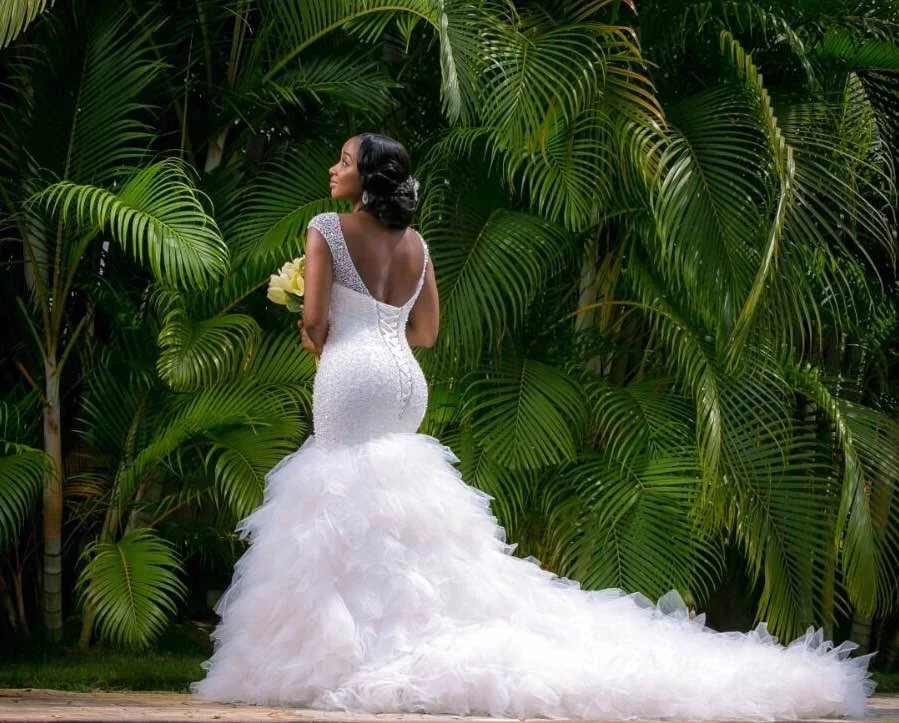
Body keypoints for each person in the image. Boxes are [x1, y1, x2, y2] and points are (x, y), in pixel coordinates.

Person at [189, 133, 875, 720]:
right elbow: (425, 331)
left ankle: (364, 638)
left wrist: (315, 327)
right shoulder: (416, 244)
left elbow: (312, 322)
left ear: (365, 178)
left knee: (338, 497)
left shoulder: (325, 229)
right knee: (396, 499)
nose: (333, 169)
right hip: (403, 379)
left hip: (350, 376)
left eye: (342, 160)